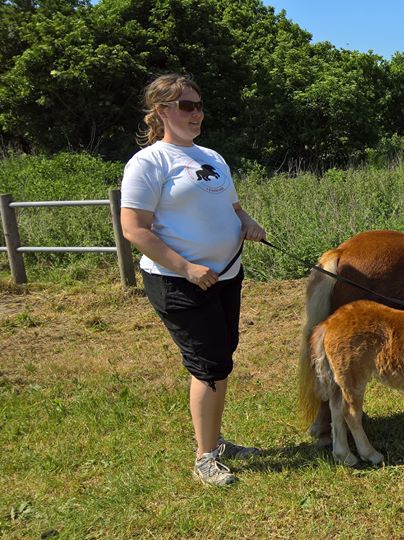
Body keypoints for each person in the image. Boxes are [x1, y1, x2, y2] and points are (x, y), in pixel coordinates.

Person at [120, 74, 267, 486]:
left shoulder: (212, 157)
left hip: (226, 274)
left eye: (199, 105)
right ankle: (206, 457)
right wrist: (186, 267)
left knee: (221, 357)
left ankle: (215, 440)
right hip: (179, 281)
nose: (196, 113)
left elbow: (233, 207)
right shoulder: (149, 162)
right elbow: (134, 228)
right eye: (187, 105)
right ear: (161, 111)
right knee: (209, 364)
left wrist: (248, 222)